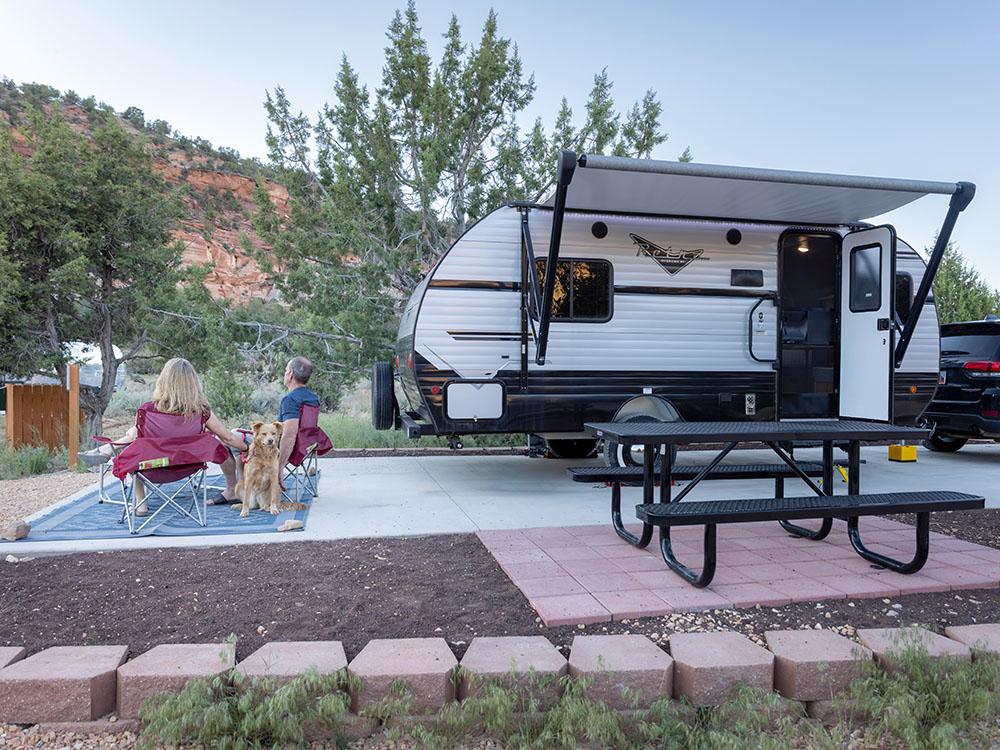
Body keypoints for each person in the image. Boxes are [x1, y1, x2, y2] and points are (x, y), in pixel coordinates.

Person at [79, 358, 247, 514]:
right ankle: (231, 489)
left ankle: (140, 502)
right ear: (193, 384)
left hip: (152, 466)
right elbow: (228, 438)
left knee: (136, 445)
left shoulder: (148, 411)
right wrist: (247, 447)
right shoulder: (202, 411)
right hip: (188, 465)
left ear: (164, 381)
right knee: (221, 447)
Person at [277, 356, 320, 473]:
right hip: (306, 445)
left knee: (238, 438)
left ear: (290, 373)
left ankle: (237, 487)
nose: (285, 374)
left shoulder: (290, 399)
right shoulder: (313, 398)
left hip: (286, 448)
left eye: (286, 371)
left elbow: (289, 435)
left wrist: (279, 468)